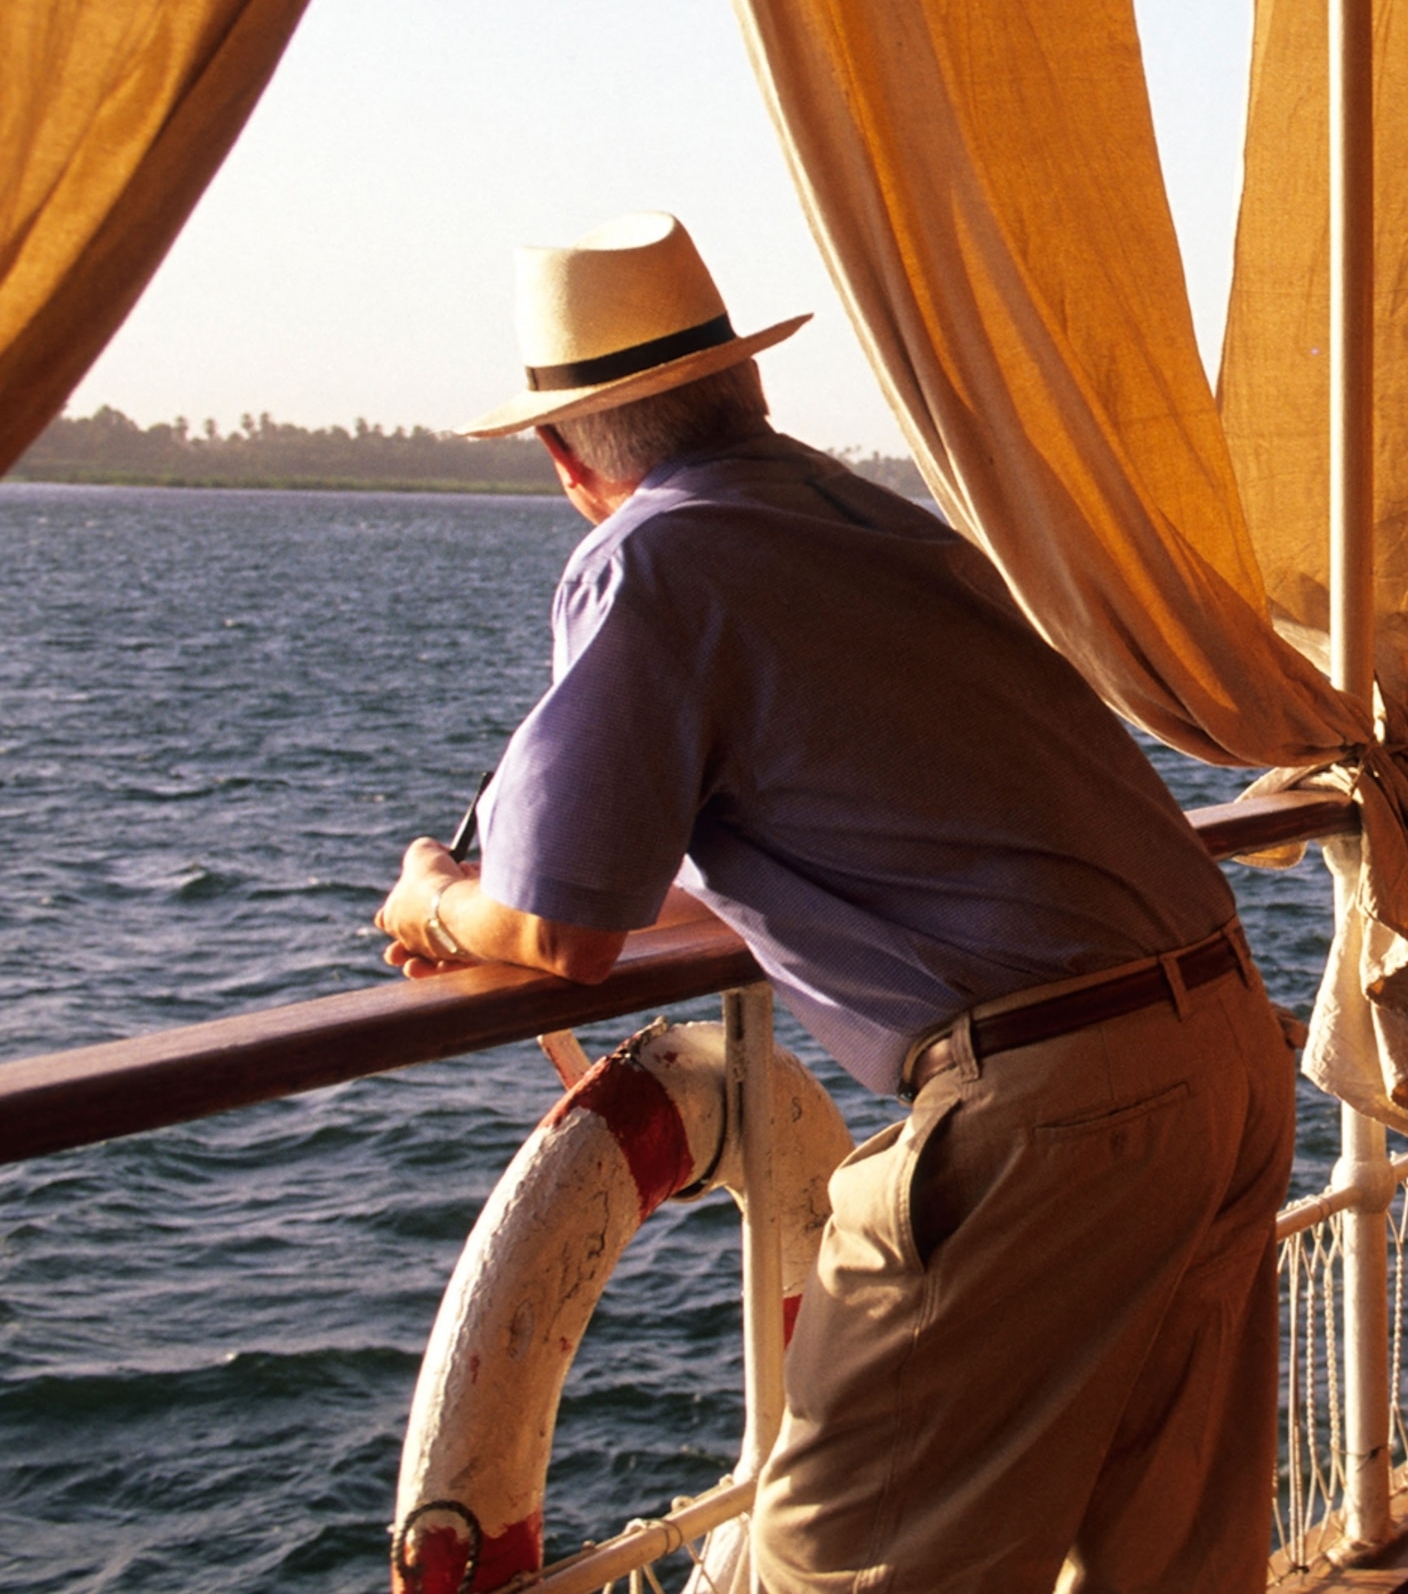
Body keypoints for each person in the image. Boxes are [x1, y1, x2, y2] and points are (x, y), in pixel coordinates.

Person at [370, 214, 1294, 1592]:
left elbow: (565, 930)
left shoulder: (648, 559)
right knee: (1169, 1565)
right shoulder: (867, 519)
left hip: (1062, 1111)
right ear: (745, 388)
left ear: (568, 462)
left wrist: (440, 900)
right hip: (1220, 1044)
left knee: (841, 1570)